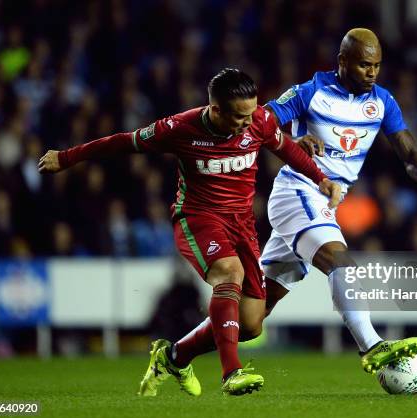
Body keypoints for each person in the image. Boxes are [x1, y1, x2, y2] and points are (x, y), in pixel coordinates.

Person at [38, 68, 341, 396]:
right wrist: (66, 158)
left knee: (251, 323)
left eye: (250, 113)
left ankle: (172, 357)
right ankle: (231, 372)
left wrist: (320, 178)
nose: (246, 122)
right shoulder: (180, 127)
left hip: (242, 226)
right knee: (229, 272)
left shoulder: (259, 121)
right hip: (198, 219)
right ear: (216, 110)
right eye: (238, 116)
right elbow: (123, 142)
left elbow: (287, 149)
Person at [260, 28, 417, 373]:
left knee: (252, 316)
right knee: (340, 261)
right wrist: (290, 142)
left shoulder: (382, 102)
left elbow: (406, 149)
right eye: (364, 65)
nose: (372, 72)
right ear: (342, 61)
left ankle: (175, 355)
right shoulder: (310, 92)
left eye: (376, 65)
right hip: (298, 190)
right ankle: (372, 345)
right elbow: (260, 123)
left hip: (327, 201)